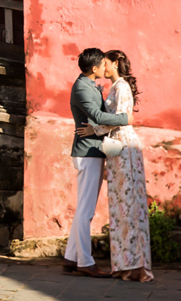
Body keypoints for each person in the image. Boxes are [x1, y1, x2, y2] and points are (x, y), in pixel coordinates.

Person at [63, 47, 132, 277]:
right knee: (86, 211)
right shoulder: (82, 88)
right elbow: (98, 116)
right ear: (94, 68)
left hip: (93, 151)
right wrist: (125, 118)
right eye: (103, 64)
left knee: (84, 208)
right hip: (87, 152)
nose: (105, 67)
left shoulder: (89, 84)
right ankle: (85, 261)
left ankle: (71, 258)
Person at [97, 50, 154, 282]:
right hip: (116, 144)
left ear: (115, 63)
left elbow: (121, 119)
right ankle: (125, 265)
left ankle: (138, 266)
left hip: (124, 145)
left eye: (105, 63)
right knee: (120, 204)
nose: (103, 68)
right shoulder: (115, 87)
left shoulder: (121, 87)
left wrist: (94, 128)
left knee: (130, 205)